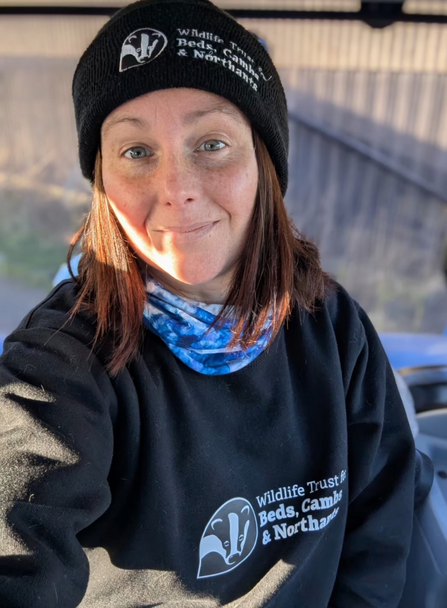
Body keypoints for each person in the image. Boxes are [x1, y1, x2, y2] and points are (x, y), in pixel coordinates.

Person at [0, 1, 415, 607]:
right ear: (102, 181)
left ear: (263, 163)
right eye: (136, 152)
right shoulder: (63, 359)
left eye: (212, 143)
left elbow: (378, 538)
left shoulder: (331, 324)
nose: (177, 191)